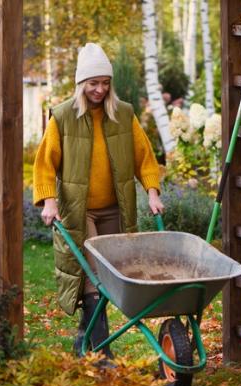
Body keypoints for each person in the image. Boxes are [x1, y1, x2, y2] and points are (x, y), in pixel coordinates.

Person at [33, 43, 164, 358]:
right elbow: (44, 164)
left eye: (105, 83)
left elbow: (144, 156)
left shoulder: (123, 114)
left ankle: (85, 337)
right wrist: (49, 202)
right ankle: (102, 355)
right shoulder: (63, 117)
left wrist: (152, 193)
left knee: (108, 277)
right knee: (95, 278)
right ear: (81, 84)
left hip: (115, 209)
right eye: (93, 83)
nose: (100, 89)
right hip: (81, 213)